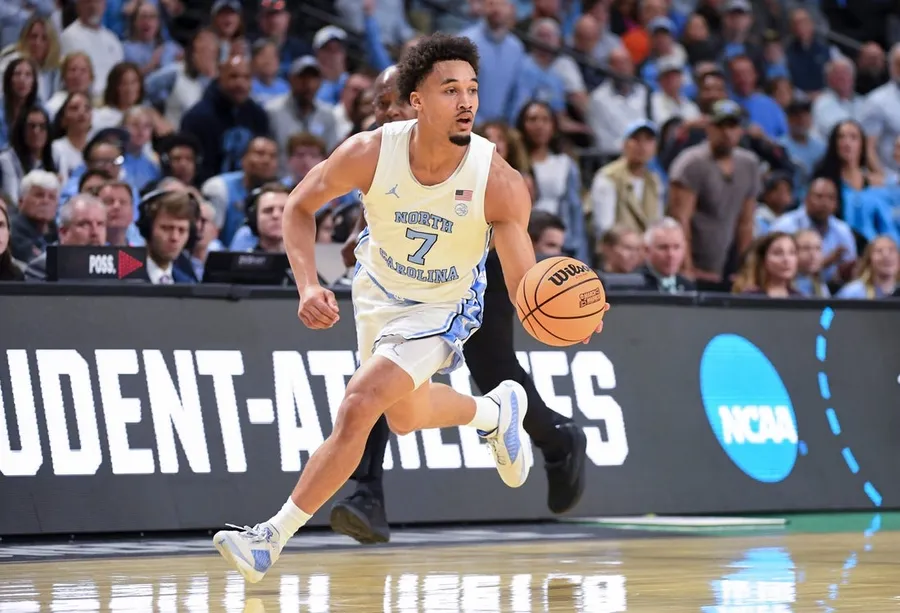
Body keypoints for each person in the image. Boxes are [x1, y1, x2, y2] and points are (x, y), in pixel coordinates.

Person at [213, 34, 606, 582]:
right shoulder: (370, 152)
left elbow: (525, 288)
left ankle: (269, 538)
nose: (466, 102)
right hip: (376, 292)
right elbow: (299, 207)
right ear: (416, 100)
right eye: (451, 90)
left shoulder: (498, 181)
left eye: (472, 89)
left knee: (360, 404)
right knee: (404, 416)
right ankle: (494, 413)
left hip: (444, 304)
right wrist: (307, 285)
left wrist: (565, 321)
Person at [331, 65, 591, 546]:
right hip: (410, 278)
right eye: (377, 104)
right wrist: (357, 237)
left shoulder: (460, 142)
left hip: (475, 269)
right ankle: (366, 492)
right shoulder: (378, 145)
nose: (383, 113)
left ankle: (558, 439)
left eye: (391, 102)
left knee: (493, 370)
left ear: (418, 99)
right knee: (380, 371)